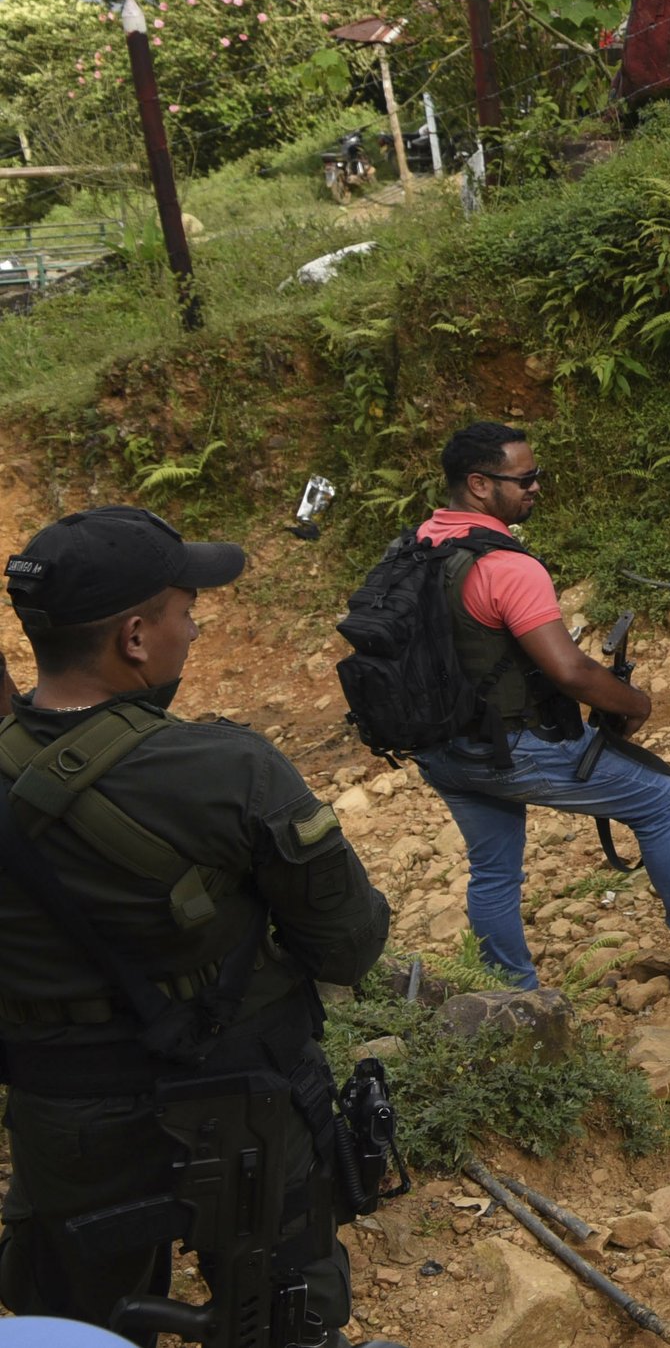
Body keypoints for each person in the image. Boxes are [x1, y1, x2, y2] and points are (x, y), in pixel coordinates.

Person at [0, 506, 391, 1343]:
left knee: (74, 1323)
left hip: (60, 1110)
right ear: (135, 637)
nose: (196, 626)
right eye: (185, 611)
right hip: (241, 1100)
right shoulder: (228, 767)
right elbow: (349, 943)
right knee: (282, 1317)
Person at [407, 422, 670, 991]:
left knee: (492, 870)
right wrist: (635, 702)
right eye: (526, 478)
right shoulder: (507, 566)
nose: (537, 487)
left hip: (440, 745)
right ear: (480, 485)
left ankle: (513, 999)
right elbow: (571, 670)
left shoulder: (422, 543)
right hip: (506, 748)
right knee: (661, 798)